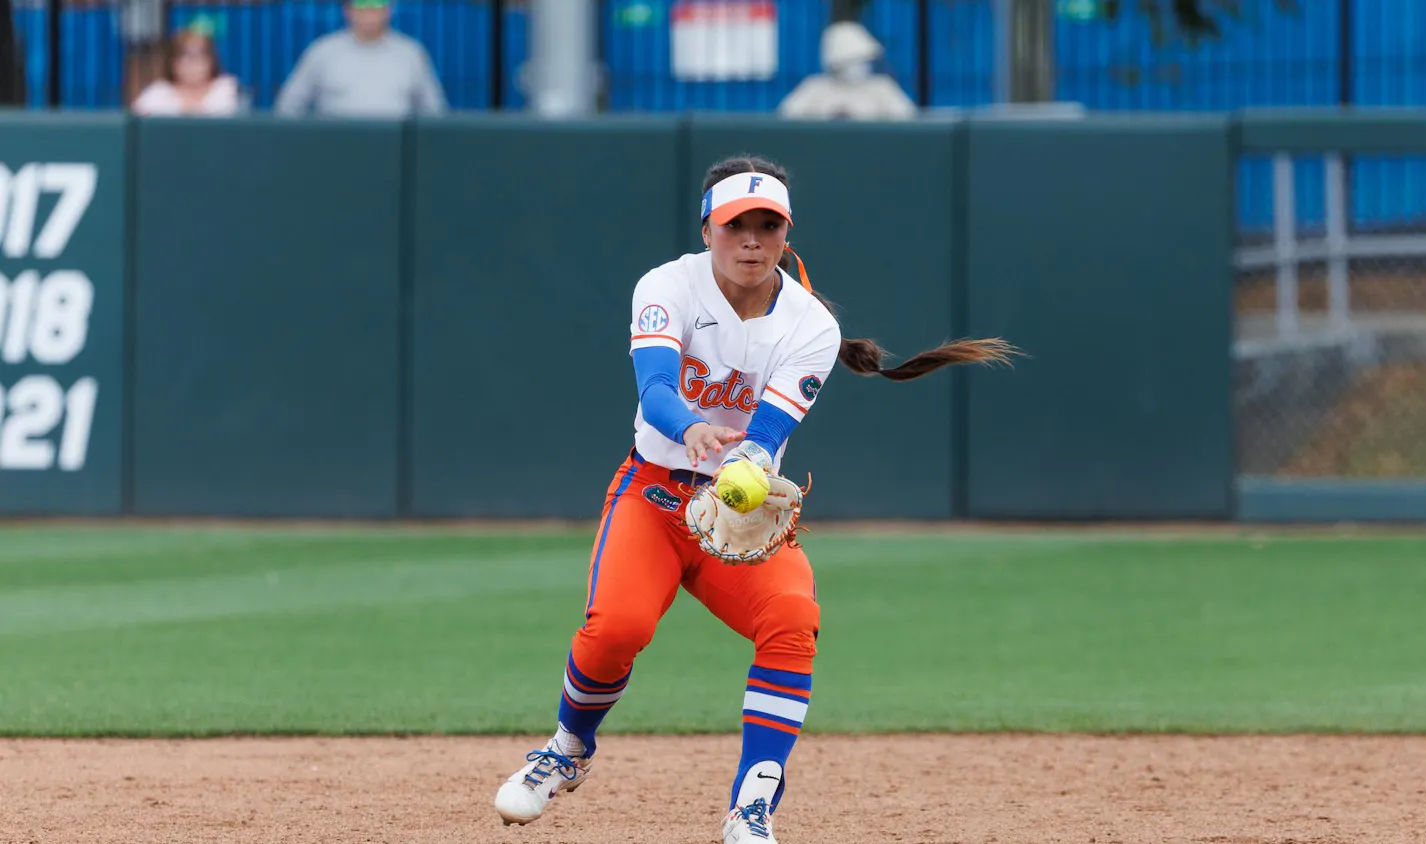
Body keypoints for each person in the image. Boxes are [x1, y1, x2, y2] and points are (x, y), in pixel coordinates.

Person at [492, 155, 1016, 843]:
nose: (751, 240)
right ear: (708, 227)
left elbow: (770, 431)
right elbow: (654, 390)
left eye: (768, 225)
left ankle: (752, 804)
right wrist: (693, 428)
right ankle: (566, 750)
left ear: (786, 236)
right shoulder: (666, 286)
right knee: (617, 628)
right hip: (653, 493)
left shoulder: (811, 326)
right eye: (737, 224)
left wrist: (743, 462)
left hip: (742, 506)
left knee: (793, 618)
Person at [273, 0, 447, 119]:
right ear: (347, 10)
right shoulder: (322, 51)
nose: (369, 13)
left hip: (397, 154)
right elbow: (288, 106)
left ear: (389, 9)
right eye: (361, 5)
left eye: (375, 5)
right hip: (334, 151)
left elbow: (434, 111)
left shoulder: (411, 53)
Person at [778, 21, 917, 121]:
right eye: (852, 62)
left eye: (863, 60)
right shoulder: (815, 86)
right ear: (836, 64)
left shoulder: (881, 87)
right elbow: (786, 115)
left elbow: (906, 116)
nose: (860, 66)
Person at [131, 25, 241, 117]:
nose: (192, 64)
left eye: (199, 56)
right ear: (172, 62)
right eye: (183, 57)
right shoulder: (157, 93)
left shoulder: (227, 90)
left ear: (212, 61)